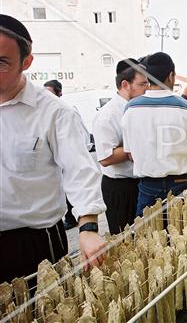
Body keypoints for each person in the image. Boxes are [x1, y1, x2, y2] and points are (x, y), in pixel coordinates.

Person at [0, 15, 107, 282]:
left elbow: (80, 171)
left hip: (33, 242)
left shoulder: (55, 112)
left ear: (26, 62)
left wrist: (89, 228)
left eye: (1, 62)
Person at [121, 52, 187, 217]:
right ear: (171, 75)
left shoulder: (130, 109)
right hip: (181, 186)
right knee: (185, 238)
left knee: (148, 238)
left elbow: (130, 154)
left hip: (147, 189)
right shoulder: (185, 108)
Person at [93, 59, 149, 235]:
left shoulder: (140, 109)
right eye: (142, 84)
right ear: (125, 85)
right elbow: (105, 158)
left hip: (141, 184)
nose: (147, 88)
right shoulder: (107, 115)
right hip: (120, 188)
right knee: (124, 240)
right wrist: (133, 148)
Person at [44, 79, 86, 230]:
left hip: (66, 161)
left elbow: (80, 137)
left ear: (59, 93)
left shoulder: (67, 111)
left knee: (70, 189)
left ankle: (72, 216)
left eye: (50, 93)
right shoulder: (44, 114)